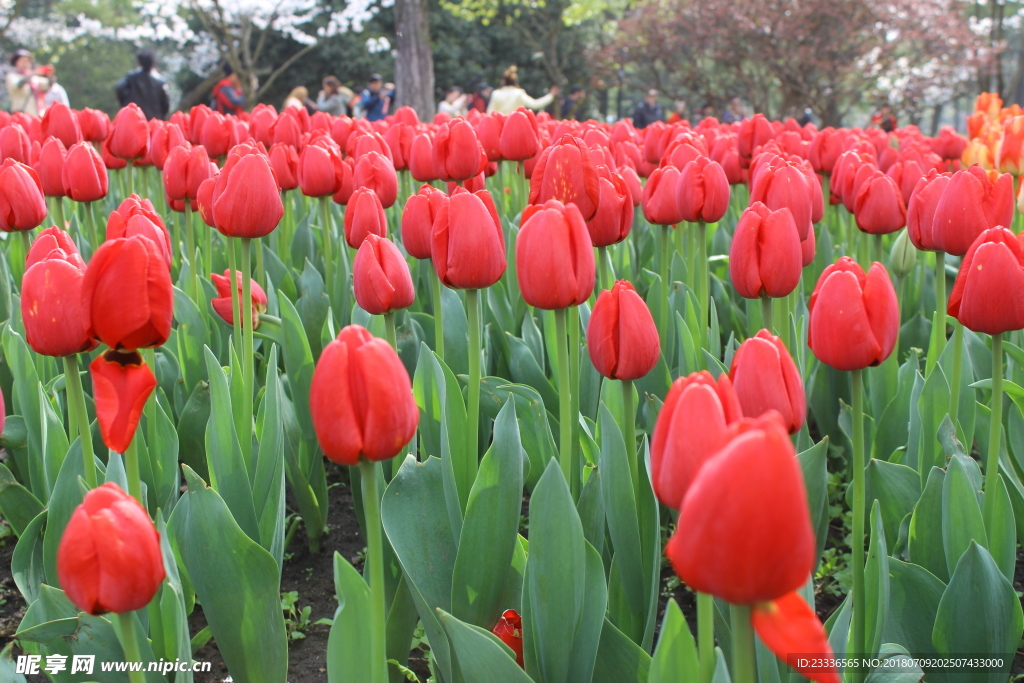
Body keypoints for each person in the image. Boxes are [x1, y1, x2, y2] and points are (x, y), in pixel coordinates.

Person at [115, 50, 170, 120]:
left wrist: (125, 105)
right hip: (154, 119)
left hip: (133, 118)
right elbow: (166, 104)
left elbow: (119, 88)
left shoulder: (131, 78)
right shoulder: (160, 82)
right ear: (153, 62)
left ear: (139, 62)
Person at [487, 66, 559, 115]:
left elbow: (489, 113)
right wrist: (551, 95)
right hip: (516, 127)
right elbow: (535, 104)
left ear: (503, 81)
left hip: (500, 128)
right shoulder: (519, 93)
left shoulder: (496, 94)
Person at [6, 49, 51, 116]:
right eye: (23, 61)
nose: (26, 63)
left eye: (28, 61)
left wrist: (49, 73)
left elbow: (47, 85)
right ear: (16, 62)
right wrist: (32, 74)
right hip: (20, 114)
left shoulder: (34, 78)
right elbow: (19, 85)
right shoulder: (12, 75)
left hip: (35, 113)